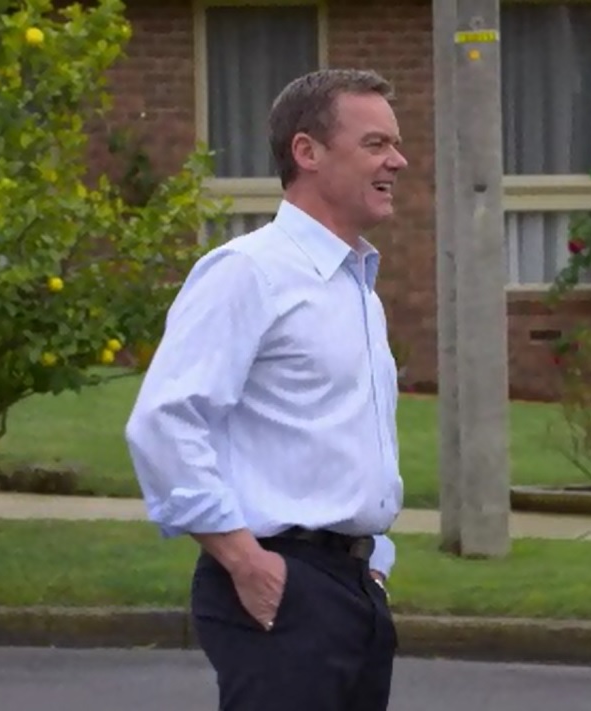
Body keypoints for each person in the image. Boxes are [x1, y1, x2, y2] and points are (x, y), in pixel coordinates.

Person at [124, 68, 408, 711]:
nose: (398, 160)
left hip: (354, 589)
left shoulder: (357, 289)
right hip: (281, 588)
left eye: (395, 144)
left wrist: (373, 560)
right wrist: (244, 560)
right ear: (307, 152)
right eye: (375, 144)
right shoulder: (248, 272)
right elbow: (165, 421)